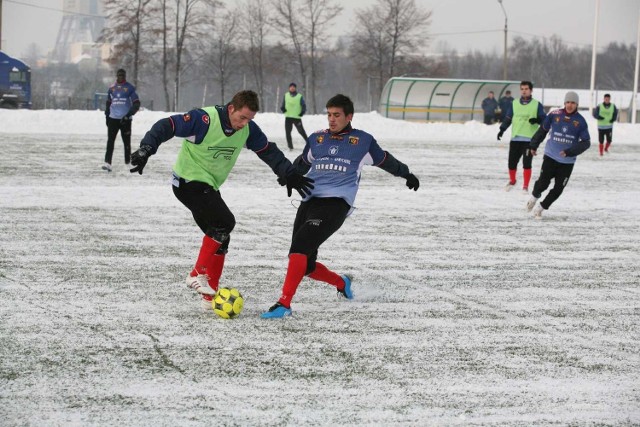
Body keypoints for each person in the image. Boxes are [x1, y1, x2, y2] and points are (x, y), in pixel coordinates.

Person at [128, 90, 314, 309]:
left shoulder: (247, 130)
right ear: (231, 108)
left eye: (250, 119)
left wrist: (288, 172)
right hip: (188, 182)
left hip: (208, 186)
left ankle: (210, 296)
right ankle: (196, 274)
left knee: (221, 237)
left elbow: (268, 151)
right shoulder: (204, 120)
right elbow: (167, 125)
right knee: (225, 223)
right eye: (242, 118)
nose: (244, 124)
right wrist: (147, 149)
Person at [261, 94, 420, 319]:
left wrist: (406, 173)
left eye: (336, 115)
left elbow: (385, 160)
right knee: (304, 264)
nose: (331, 120)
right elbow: (302, 164)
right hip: (309, 200)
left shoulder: (363, 141)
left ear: (349, 116)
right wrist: (289, 175)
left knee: (299, 248)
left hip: (336, 204)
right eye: (329, 115)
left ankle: (284, 303)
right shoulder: (317, 139)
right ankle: (341, 282)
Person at [526, 91, 591, 219]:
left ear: (577, 104)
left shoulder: (581, 121)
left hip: (567, 162)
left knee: (558, 189)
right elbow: (542, 130)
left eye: (573, 102)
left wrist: (569, 152)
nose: (570, 105)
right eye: (568, 102)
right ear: (564, 103)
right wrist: (533, 145)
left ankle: (541, 208)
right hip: (550, 156)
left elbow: (586, 142)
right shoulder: (554, 115)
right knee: (543, 183)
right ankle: (534, 197)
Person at [497, 81, 546, 193]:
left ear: (531, 90)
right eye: (522, 89)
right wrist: (502, 129)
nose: (524, 91)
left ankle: (525, 186)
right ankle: (513, 180)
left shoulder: (536, 104)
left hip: (529, 140)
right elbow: (508, 118)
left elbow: (545, 120)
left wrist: (537, 120)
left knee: (526, 163)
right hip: (515, 139)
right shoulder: (514, 103)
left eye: (526, 89)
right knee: (511, 163)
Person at [103, 69, 140, 172]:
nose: (121, 77)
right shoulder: (111, 89)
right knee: (110, 141)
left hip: (125, 120)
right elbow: (108, 103)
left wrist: (129, 114)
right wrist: (107, 116)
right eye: (119, 75)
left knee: (126, 142)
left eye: (123, 75)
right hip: (113, 119)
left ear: (125, 76)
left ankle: (128, 163)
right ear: (116, 76)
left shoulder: (130, 88)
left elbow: (136, 103)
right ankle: (107, 163)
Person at [280, 82, 309, 150]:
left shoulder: (299, 96)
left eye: (293, 87)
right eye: (291, 87)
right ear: (289, 88)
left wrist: (302, 112)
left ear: (295, 88)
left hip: (296, 117)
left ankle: (309, 143)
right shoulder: (286, 95)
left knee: (301, 131)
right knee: (288, 132)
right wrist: (283, 108)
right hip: (288, 117)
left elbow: (303, 105)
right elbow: (283, 103)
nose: (292, 88)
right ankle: (290, 147)